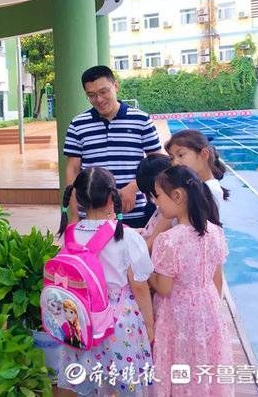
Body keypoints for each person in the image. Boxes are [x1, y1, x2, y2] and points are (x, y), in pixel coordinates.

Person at [57, 167, 154, 397]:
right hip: (118, 322)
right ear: (113, 197)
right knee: (125, 382)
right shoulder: (126, 236)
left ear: (79, 199)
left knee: (86, 379)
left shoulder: (70, 234)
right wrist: (150, 325)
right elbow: (139, 285)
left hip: (80, 322)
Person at [149, 166, 232, 397]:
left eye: (158, 195)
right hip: (209, 308)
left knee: (179, 362)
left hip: (177, 312)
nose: (156, 202)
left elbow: (164, 288)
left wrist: (145, 273)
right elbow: (217, 280)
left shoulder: (168, 240)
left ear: (177, 196)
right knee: (205, 360)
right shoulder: (215, 232)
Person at [64, 66, 163, 228]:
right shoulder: (77, 124)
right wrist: (74, 215)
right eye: (92, 95)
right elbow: (72, 170)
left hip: (134, 211)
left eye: (104, 92)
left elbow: (157, 164)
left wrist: (133, 187)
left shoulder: (141, 120)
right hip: (91, 215)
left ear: (115, 86)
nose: (99, 99)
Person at [166, 129, 230, 207]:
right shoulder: (194, 187)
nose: (174, 163)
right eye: (172, 158)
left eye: (180, 155)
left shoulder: (210, 191)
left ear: (204, 154)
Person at [135, 154, 173, 252]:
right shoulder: (162, 209)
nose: (154, 201)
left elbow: (149, 246)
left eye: (155, 195)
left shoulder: (169, 214)